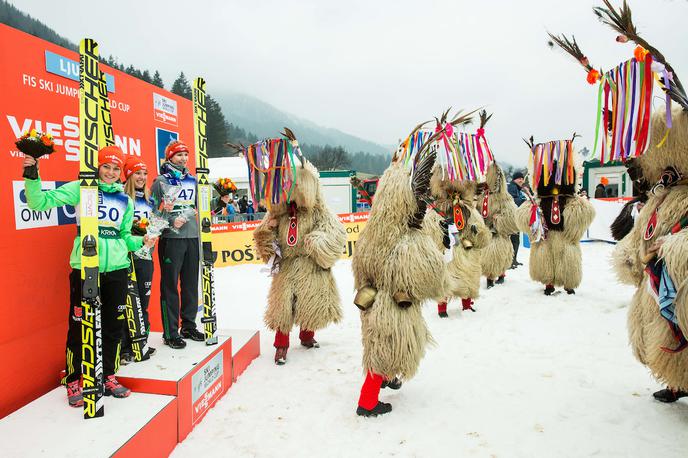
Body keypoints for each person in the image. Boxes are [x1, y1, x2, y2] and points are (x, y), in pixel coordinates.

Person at [22, 146, 156, 407]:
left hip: (117, 269)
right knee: (79, 327)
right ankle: (75, 380)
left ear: (122, 173)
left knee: (113, 327)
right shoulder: (82, 188)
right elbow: (38, 202)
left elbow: (125, 237)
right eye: (106, 166)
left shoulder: (125, 200)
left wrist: (142, 241)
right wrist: (31, 172)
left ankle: (107, 375)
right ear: (98, 167)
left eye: (116, 169)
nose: (111, 172)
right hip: (86, 268)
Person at [253, 153, 346, 365]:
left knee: (309, 302)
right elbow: (261, 237)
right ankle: (281, 345)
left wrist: (317, 242)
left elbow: (335, 233)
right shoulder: (278, 214)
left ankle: (307, 335)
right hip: (286, 266)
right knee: (283, 307)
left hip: (309, 265)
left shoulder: (318, 211)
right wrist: (268, 231)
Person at [151, 140, 204, 349]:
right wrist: (170, 220)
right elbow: (152, 210)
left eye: (185, 154)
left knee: (191, 285)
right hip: (171, 238)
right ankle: (170, 332)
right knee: (170, 286)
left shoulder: (193, 180)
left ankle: (189, 325)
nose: (183, 158)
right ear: (170, 157)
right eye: (178, 155)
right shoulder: (160, 181)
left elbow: (199, 207)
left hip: (192, 237)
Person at [120, 157, 157, 364]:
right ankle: (125, 347)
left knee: (143, 300)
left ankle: (140, 342)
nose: (142, 177)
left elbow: (154, 225)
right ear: (129, 176)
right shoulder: (124, 199)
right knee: (127, 302)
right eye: (137, 173)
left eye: (144, 173)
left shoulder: (149, 200)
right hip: (127, 255)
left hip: (145, 256)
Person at [507, 171, 526, 268]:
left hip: (515, 217)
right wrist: (523, 200)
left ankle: (513, 260)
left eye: (522, 178)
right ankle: (510, 261)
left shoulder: (517, 188)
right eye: (519, 178)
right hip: (511, 218)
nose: (521, 180)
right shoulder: (512, 187)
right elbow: (511, 201)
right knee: (513, 240)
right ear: (514, 179)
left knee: (516, 240)